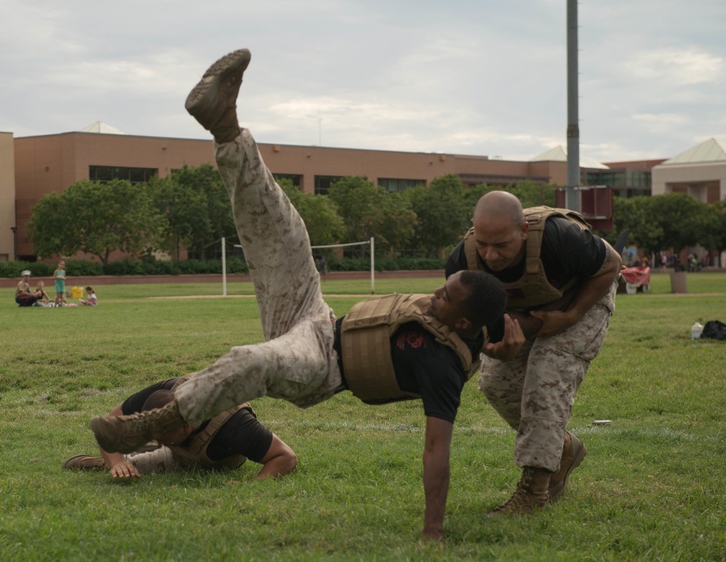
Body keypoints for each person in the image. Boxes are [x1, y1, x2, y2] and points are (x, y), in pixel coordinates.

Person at [89, 48, 523, 541]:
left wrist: (433, 531)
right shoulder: (464, 311)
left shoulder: (443, 366)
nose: (432, 299)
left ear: (461, 323)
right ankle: (226, 127)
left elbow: (435, 451)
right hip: (316, 318)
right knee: (287, 231)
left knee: (252, 360)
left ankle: (160, 420)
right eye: (440, 290)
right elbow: (497, 327)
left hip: (322, 369)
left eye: (444, 301)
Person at [444, 190, 621, 515]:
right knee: (496, 385)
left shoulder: (560, 238)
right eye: (483, 243)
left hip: (583, 299)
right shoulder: (462, 263)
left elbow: (611, 264)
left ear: (523, 231)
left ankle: (534, 493)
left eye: (502, 245)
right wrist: (494, 343)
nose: (491, 255)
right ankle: (565, 448)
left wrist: (570, 315)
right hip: (528, 313)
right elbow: (472, 323)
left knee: (546, 376)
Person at [65, 377, 297, 480]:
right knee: (132, 459)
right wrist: (116, 463)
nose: (157, 440)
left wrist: (253, 485)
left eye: (162, 437)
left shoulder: (235, 426)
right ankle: (114, 460)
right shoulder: (164, 392)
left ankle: (132, 457)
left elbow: (285, 457)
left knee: (154, 460)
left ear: (186, 426)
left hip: (217, 456)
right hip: (181, 443)